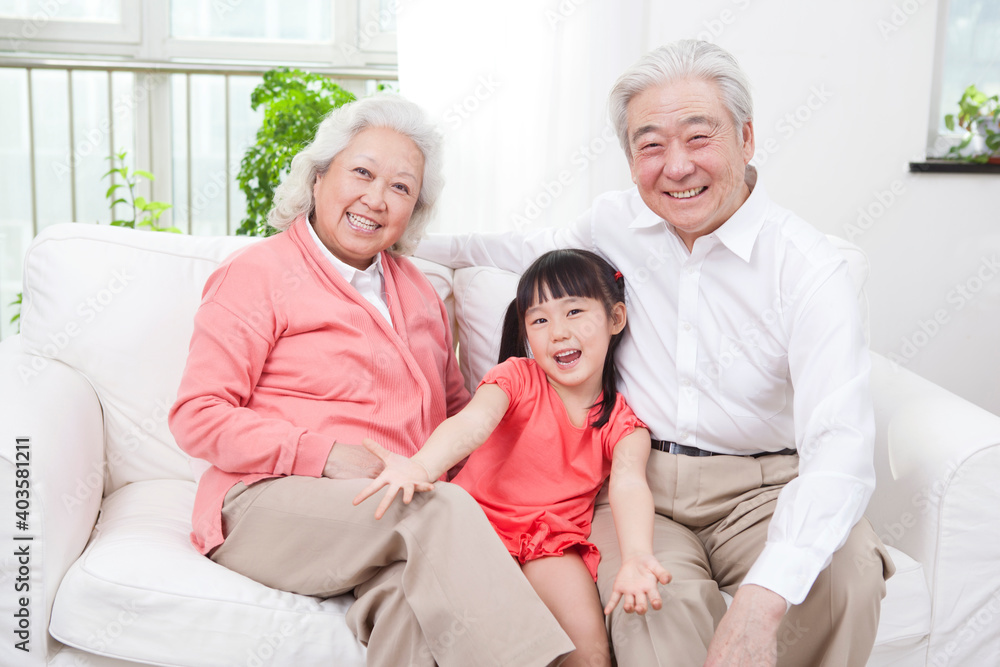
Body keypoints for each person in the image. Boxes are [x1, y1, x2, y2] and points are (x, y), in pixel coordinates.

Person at [417, 40, 894, 666]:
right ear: (629, 157)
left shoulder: (809, 269)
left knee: (846, 574)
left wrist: (762, 599)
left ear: (746, 138)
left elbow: (840, 443)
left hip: (766, 486)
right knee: (644, 603)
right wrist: (394, 234)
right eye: (650, 145)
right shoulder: (612, 225)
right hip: (637, 481)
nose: (676, 167)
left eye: (699, 138)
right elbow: (521, 249)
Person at [168, 93, 574, 667]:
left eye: (401, 188)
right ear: (317, 177)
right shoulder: (256, 274)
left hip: (381, 509)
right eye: (362, 172)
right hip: (263, 503)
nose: (376, 200)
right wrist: (329, 455)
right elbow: (197, 414)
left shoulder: (418, 291)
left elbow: (454, 410)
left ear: (415, 210)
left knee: (414, 606)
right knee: (436, 509)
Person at [354, 249, 672, 667]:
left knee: (590, 656)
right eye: (539, 320)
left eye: (575, 311)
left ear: (615, 319)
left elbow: (630, 484)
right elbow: (473, 424)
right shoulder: (516, 377)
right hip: (475, 530)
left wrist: (635, 557)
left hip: (551, 542)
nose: (558, 332)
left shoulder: (624, 424)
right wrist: (420, 466)